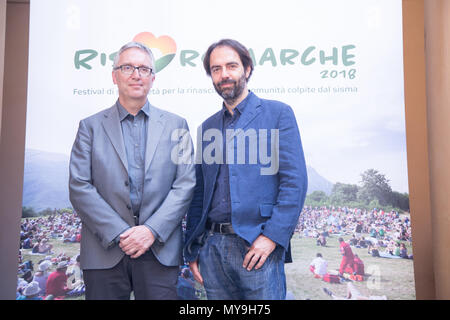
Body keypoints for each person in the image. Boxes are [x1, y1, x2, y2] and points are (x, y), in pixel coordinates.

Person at [69, 41, 196, 300]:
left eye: (144, 69)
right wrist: (120, 233)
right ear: (114, 76)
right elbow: (79, 186)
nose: (136, 74)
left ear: (153, 78)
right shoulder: (90, 127)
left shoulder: (176, 125)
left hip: (159, 250)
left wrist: (151, 230)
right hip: (104, 252)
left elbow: (185, 184)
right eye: (127, 67)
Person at [184, 39, 308, 300]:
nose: (224, 74)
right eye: (216, 69)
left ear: (247, 69)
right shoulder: (208, 127)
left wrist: (271, 238)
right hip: (212, 249)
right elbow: (200, 193)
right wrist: (194, 248)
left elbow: (294, 183)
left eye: (231, 66)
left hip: (257, 245)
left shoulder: (278, 114)